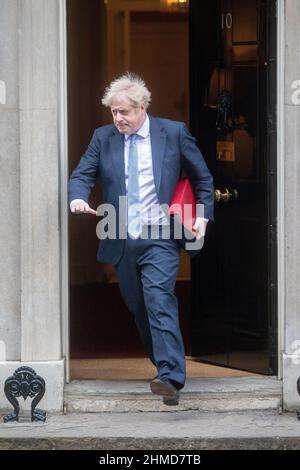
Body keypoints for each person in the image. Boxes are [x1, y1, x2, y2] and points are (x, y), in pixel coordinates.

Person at [68, 73, 214, 406]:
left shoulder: (173, 133)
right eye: (114, 112)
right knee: (139, 307)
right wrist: (77, 196)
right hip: (120, 234)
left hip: (160, 234)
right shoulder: (103, 137)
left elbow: (202, 178)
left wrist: (202, 217)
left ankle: (171, 376)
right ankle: (163, 366)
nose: (118, 119)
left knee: (159, 299)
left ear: (142, 107)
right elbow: (83, 173)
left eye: (124, 112)